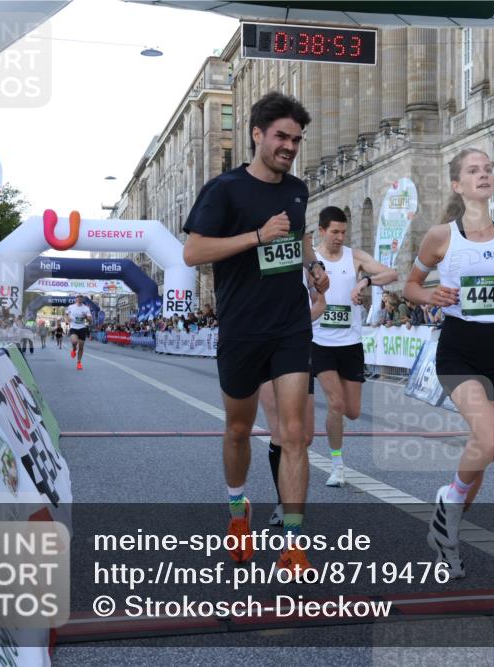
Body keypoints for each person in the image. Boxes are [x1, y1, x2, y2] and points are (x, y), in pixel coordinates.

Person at [182, 92, 329, 577]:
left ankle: (292, 541)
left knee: (295, 434)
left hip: (290, 325)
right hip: (242, 328)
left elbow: (300, 237)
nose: (289, 146)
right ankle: (237, 509)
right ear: (257, 134)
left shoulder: (298, 190)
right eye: (281, 136)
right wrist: (257, 237)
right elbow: (193, 253)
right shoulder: (224, 189)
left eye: (296, 139)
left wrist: (313, 268)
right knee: (239, 430)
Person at [405, 147, 494, 578]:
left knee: (486, 449)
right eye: (473, 170)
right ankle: (449, 503)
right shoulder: (440, 236)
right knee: (493, 440)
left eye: (488, 169)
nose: (483, 175)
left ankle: (446, 533)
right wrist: (431, 295)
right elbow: (411, 286)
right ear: (457, 184)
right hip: (459, 349)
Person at [311, 206, 398, 488]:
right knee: (335, 403)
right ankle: (337, 465)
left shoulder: (354, 257)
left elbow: (391, 273)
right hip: (320, 342)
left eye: (343, 232)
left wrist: (365, 281)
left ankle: (337, 428)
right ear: (322, 231)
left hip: (351, 342)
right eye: (334, 232)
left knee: (353, 411)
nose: (339, 237)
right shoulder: (311, 261)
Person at [261, 271, 326, 526]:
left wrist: (294, 325)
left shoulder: (305, 265)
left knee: (304, 435)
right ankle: (283, 503)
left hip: (295, 349)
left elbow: (321, 303)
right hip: (262, 347)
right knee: (280, 431)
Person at [65, 295, 92, 370]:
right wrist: (67, 319)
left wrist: (86, 317)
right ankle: (73, 349)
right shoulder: (71, 307)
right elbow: (66, 314)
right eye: (78, 298)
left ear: (82, 299)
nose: (79, 299)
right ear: (76, 299)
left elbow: (90, 320)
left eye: (81, 298)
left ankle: (79, 362)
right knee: (74, 341)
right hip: (73, 327)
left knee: (81, 346)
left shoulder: (86, 308)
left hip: (82, 328)